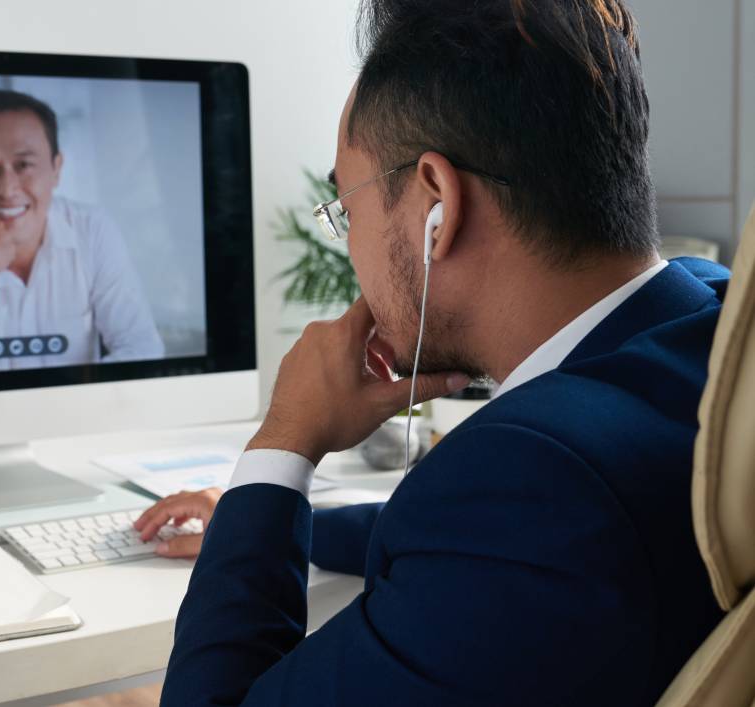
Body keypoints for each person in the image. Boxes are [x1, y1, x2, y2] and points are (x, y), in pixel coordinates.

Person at [136, 1, 729, 704]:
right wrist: (277, 527)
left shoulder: (529, 482)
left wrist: (283, 442)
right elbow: (478, 547)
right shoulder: (713, 322)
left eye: (346, 210)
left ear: (435, 204)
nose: (349, 246)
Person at [0, 89, 164, 375]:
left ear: (56, 169)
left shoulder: (93, 230)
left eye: (24, 165)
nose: (6, 189)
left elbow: (142, 350)